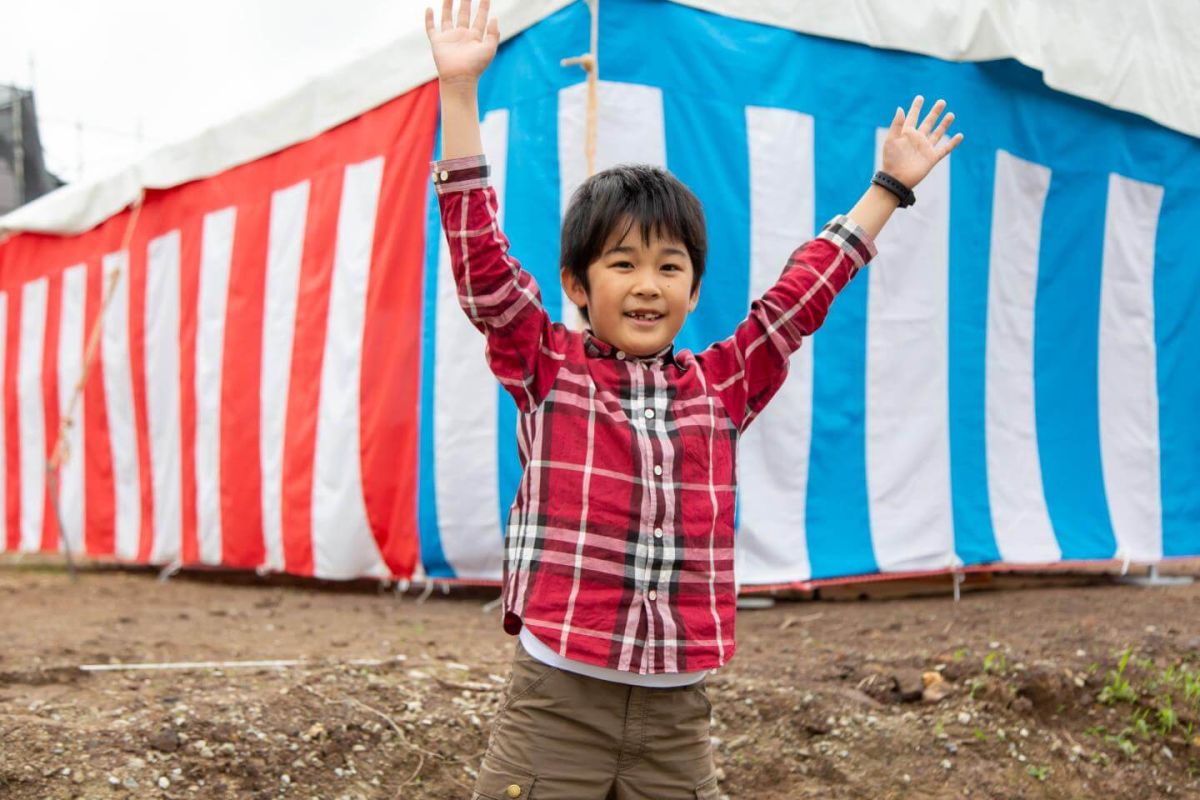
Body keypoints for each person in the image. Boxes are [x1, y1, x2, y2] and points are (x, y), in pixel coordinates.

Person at [424, 1, 963, 797]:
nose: (648, 285)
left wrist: (886, 188)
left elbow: (797, 300)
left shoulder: (719, 385)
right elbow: (482, 267)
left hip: (677, 718)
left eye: (669, 267)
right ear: (576, 285)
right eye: (622, 264)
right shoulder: (548, 367)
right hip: (556, 706)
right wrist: (459, 93)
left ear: (693, 286)